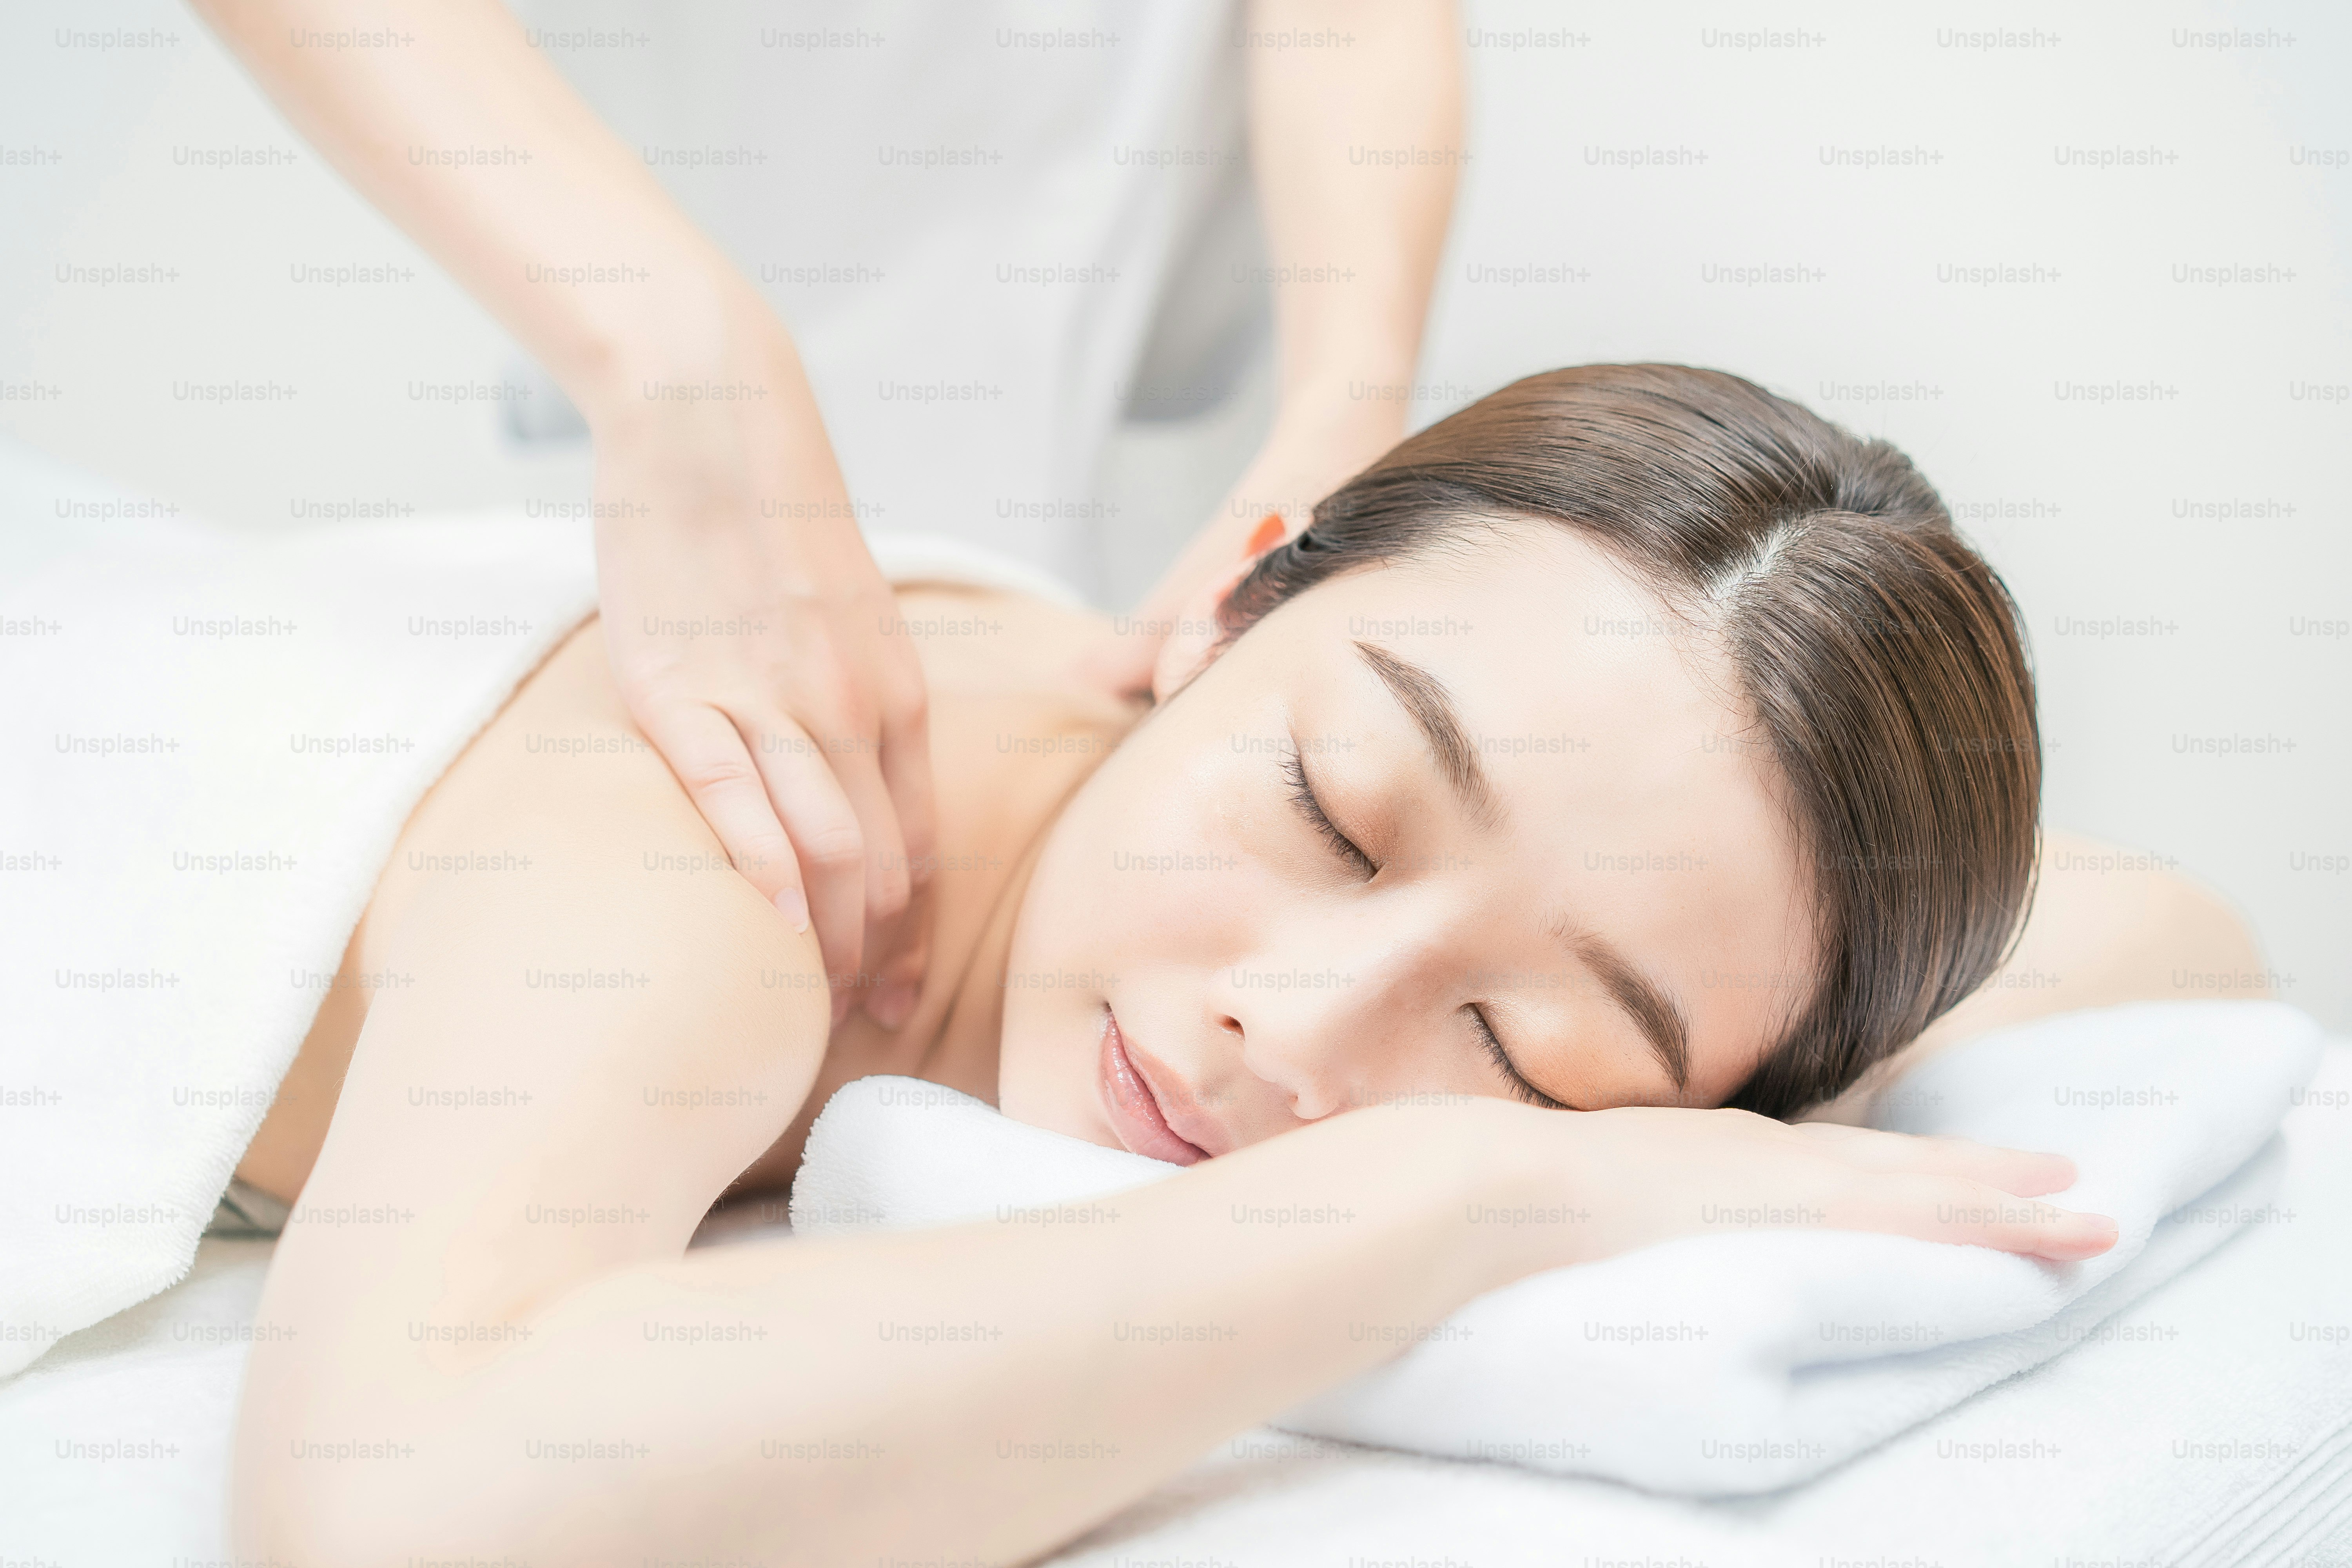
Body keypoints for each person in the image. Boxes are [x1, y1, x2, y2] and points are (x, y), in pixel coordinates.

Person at [219, 365, 2270, 1563]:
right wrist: (1473, 1180)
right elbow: (390, 1510)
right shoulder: (750, 837)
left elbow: (2166, 930)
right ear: (1216, 610)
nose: (1289, 1033)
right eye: (1336, 813)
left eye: (1531, 1042)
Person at [189, 0, 1465, 1036]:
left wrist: (1347, 409)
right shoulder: (629, 901)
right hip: (600, 419)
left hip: (1065, 461)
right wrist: (673, 355)